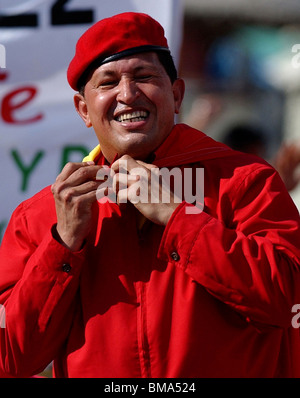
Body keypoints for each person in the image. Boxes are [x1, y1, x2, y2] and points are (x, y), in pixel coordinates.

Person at [0, 12, 300, 378]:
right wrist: (62, 245)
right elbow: (10, 359)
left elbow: (289, 304)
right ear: (84, 111)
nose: (127, 94)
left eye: (144, 77)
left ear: (176, 95)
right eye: (108, 82)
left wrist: (177, 217)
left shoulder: (246, 182)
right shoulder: (43, 214)